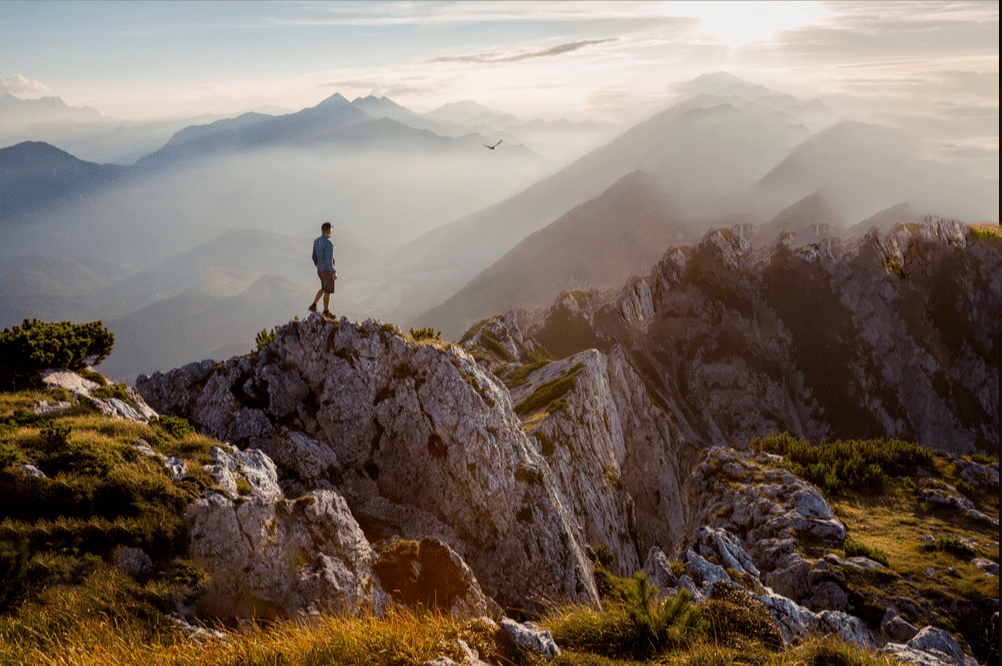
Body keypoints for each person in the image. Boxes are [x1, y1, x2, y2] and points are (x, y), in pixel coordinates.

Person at [309, 221, 337, 318]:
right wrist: (333, 272)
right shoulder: (329, 243)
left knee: (324, 288)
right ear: (329, 230)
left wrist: (318, 265)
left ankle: (313, 305)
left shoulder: (316, 241)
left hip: (320, 270)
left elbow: (313, 256)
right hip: (326, 271)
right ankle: (326, 311)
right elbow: (329, 260)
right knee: (328, 291)